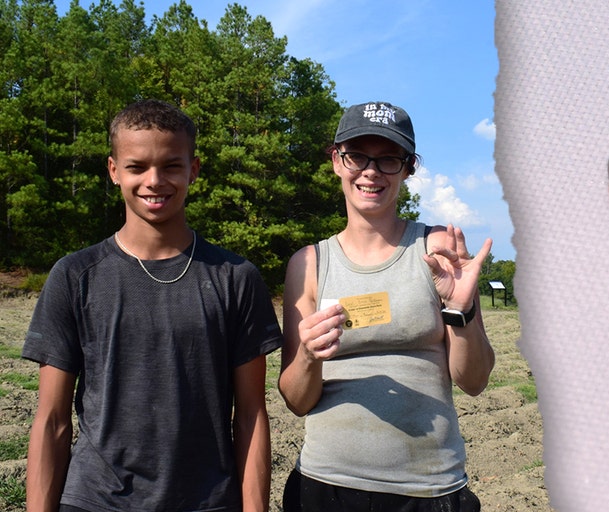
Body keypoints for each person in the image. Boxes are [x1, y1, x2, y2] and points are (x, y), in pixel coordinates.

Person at [22, 99, 283, 512]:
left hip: (208, 501)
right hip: (95, 500)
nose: (154, 180)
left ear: (193, 170)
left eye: (172, 166)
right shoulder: (75, 276)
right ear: (113, 170)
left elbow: (251, 416)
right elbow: (51, 421)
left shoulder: (236, 278)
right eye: (137, 166)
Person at [278, 101, 494, 511]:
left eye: (389, 159)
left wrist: (461, 313)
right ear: (336, 161)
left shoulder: (437, 252)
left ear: (409, 167)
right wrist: (308, 356)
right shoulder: (308, 265)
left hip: (429, 490)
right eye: (357, 155)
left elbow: (475, 381)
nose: (371, 171)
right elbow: (296, 401)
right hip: (327, 488)